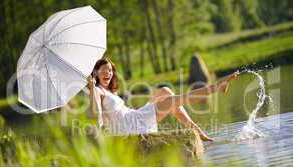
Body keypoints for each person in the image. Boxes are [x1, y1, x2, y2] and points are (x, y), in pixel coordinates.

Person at [87, 58, 238, 141]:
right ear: (96, 72)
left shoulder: (108, 91)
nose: (108, 73)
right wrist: (92, 87)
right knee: (176, 100)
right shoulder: (97, 90)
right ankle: (217, 87)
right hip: (130, 125)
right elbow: (94, 114)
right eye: (104, 70)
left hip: (133, 116)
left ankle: (197, 131)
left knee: (165, 91)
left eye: (110, 70)